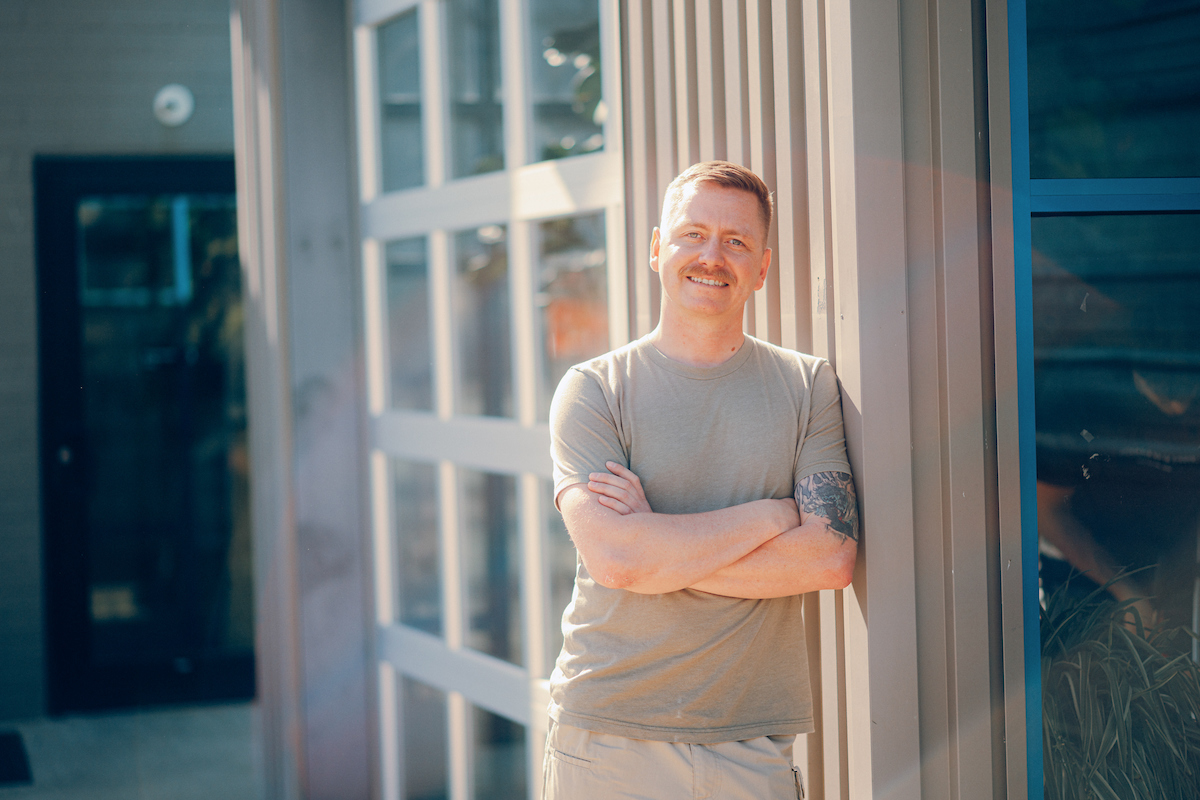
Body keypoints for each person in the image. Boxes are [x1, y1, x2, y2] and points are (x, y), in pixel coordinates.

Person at [545, 161, 859, 800]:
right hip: (609, 738)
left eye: (737, 241)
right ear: (659, 249)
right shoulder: (596, 390)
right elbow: (616, 559)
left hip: (753, 745)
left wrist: (658, 547)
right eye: (693, 234)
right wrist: (773, 517)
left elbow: (829, 557)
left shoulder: (808, 386)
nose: (712, 255)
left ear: (762, 268)